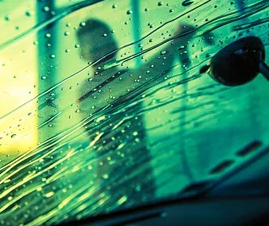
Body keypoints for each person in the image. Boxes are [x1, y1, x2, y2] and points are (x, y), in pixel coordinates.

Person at [76, 18, 195, 206]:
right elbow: (144, 77)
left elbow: (144, 77)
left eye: (107, 43)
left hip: (140, 175)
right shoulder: (87, 90)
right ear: (82, 54)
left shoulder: (124, 76)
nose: (104, 52)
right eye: (95, 48)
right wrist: (175, 42)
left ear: (115, 44)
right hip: (113, 183)